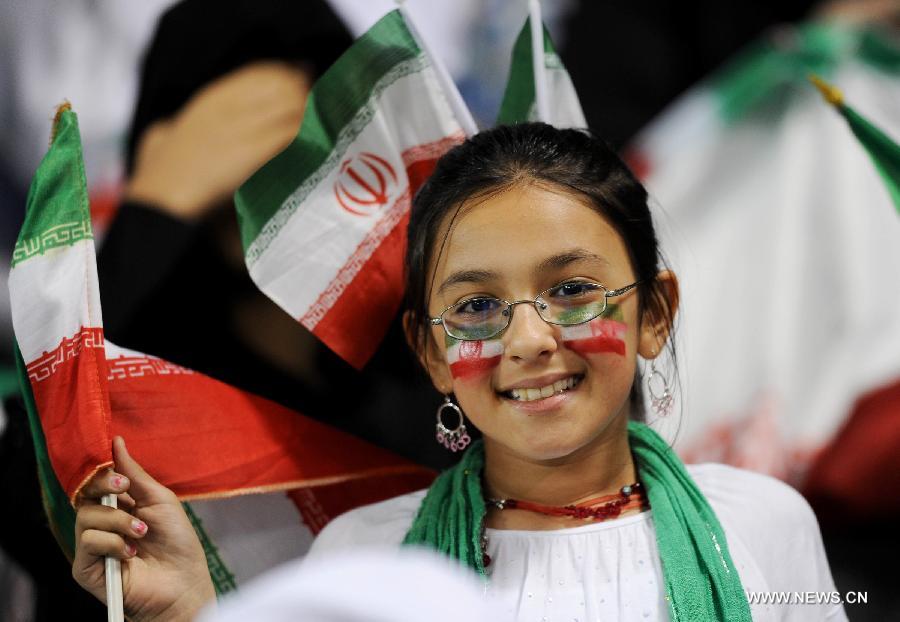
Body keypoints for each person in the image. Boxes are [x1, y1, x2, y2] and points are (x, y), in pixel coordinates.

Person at [72, 123, 846, 621]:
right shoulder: (367, 559)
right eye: (476, 306)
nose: (529, 338)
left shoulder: (762, 526)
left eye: (572, 291)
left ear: (654, 314)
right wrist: (188, 613)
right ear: (431, 351)